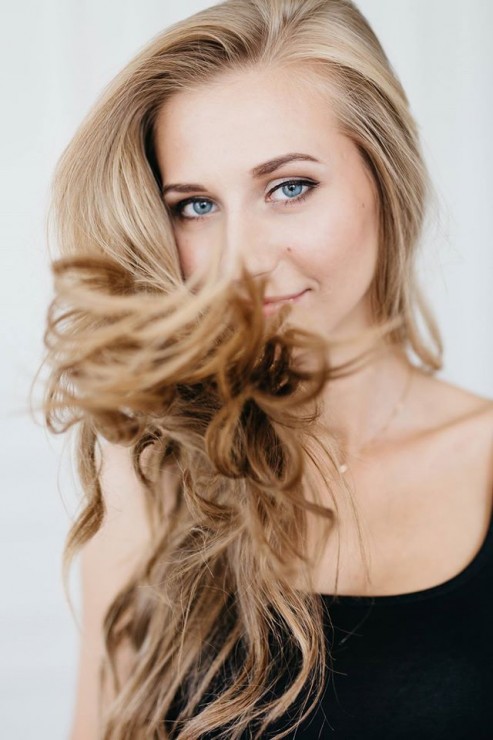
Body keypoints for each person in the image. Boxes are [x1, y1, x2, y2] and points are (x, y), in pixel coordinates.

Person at [39, 0, 493, 737]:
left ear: (383, 175)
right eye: (195, 206)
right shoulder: (153, 467)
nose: (241, 258)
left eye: (289, 187)